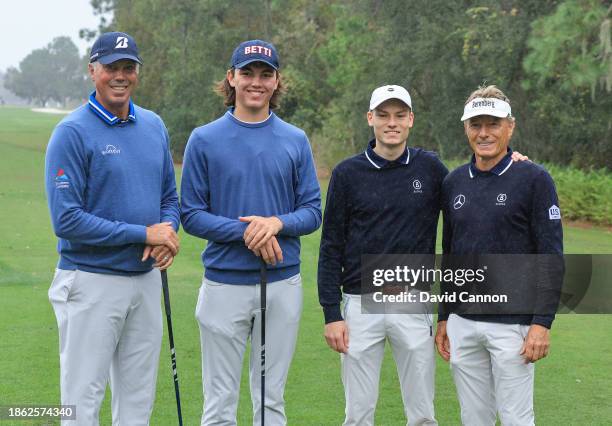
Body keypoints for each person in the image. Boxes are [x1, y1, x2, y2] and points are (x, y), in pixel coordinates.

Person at [180, 39, 322, 425]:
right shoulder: (204, 139)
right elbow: (190, 214)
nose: (256, 82)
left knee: (270, 401)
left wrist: (275, 223)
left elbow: (311, 211)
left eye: (265, 74)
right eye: (247, 73)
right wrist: (247, 232)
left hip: (281, 283)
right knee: (219, 403)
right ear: (231, 78)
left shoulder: (295, 139)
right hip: (223, 284)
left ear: (277, 82)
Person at [45, 31, 180, 425]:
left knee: (138, 399)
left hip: (144, 280)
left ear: (136, 72)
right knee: (81, 400)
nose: (120, 76)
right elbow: (67, 220)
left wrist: (167, 233)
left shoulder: (153, 126)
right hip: (90, 280)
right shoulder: (72, 132)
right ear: (93, 71)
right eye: (111, 67)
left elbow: (169, 198)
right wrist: (143, 234)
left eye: (128, 68)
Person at [318, 85, 447, 426]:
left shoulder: (431, 169)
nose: (392, 123)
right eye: (384, 115)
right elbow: (331, 244)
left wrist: (512, 161)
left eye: (400, 116)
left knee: (422, 414)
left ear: (411, 120)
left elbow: (473, 189)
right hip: (360, 303)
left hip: (412, 300)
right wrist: (332, 313)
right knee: (358, 414)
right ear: (370, 118)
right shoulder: (347, 173)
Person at [435, 85, 564, 425]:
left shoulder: (534, 179)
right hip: (463, 322)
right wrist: (445, 316)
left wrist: (541, 323)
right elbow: (451, 254)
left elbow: (551, 256)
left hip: (514, 325)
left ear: (511, 126)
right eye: (476, 124)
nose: (484, 133)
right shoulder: (454, 182)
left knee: (516, 419)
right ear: (466, 129)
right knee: (473, 418)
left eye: (493, 123)